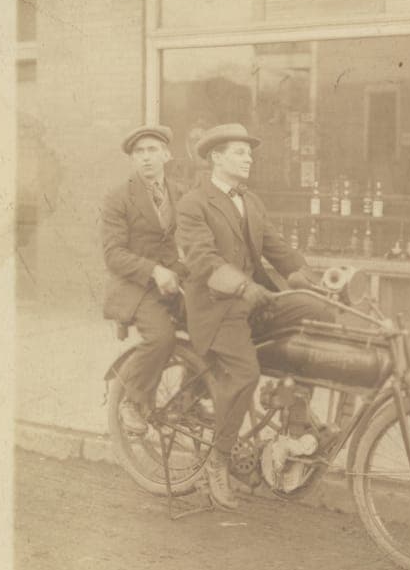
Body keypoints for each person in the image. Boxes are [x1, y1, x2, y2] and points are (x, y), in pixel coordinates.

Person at [176, 123, 335, 510]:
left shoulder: (252, 202)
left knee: (318, 314)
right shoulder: (194, 204)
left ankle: (297, 425)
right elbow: (202, 260)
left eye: (249, 152)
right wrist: (243, 286)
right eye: (239, 152)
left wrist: (310, 282)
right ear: (216, 157)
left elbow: (279, 250)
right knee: (245, 374)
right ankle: (217, 460)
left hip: (254, 301)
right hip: (217, 309)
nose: (248, 158)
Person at [101, 124, 187, 431]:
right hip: (135, 287)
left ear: (166, 154)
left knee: (213, 325)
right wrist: (154, 270)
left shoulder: (180, 193)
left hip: (174, 282)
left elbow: (188, 240)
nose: (146, 158)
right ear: (132, 160)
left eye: (153, 150)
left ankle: (189, 398)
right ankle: (131, 400)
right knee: (161, 337)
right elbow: (113, 254)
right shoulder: (119, 198)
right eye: (139, 152)